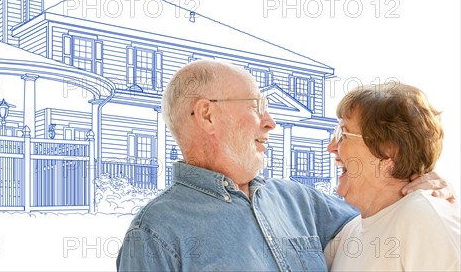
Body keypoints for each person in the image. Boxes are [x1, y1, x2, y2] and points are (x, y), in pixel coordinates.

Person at [116, 60, 453, 271]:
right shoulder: (153, 235)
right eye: (255, 106)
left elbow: (383, 214)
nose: (271, 122)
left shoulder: (300, 202)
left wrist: (420, 177)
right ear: (207, 114)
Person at [323, 83, 460, 271]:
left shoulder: (424, 219)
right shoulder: (348, 233)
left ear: (389, 149)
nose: (330, 147)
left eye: (342, 133)